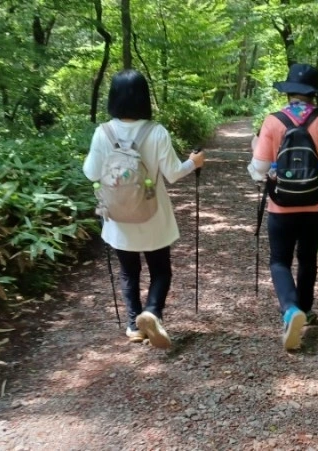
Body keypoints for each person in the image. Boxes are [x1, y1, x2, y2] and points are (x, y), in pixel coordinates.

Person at [83, 69, 206, 349]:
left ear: (113, 96)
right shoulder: (156, 131)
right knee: (160, 270)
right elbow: (173, 173)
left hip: (117, 217)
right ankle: (152, 312)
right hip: (153, 215)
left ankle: (133, 326)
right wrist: (194, 162)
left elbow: (90, 173)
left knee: (129, 272)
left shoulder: (103, 133)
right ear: (143, 97)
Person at [249, 63, 318, 350]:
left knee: (279, 260)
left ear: (289, 92)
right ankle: (305, 308)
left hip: (281, 203)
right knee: (307, 257)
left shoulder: (273, 121)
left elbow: (259, 169)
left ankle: (290, 309)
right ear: (314, 93)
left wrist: (256, 148)